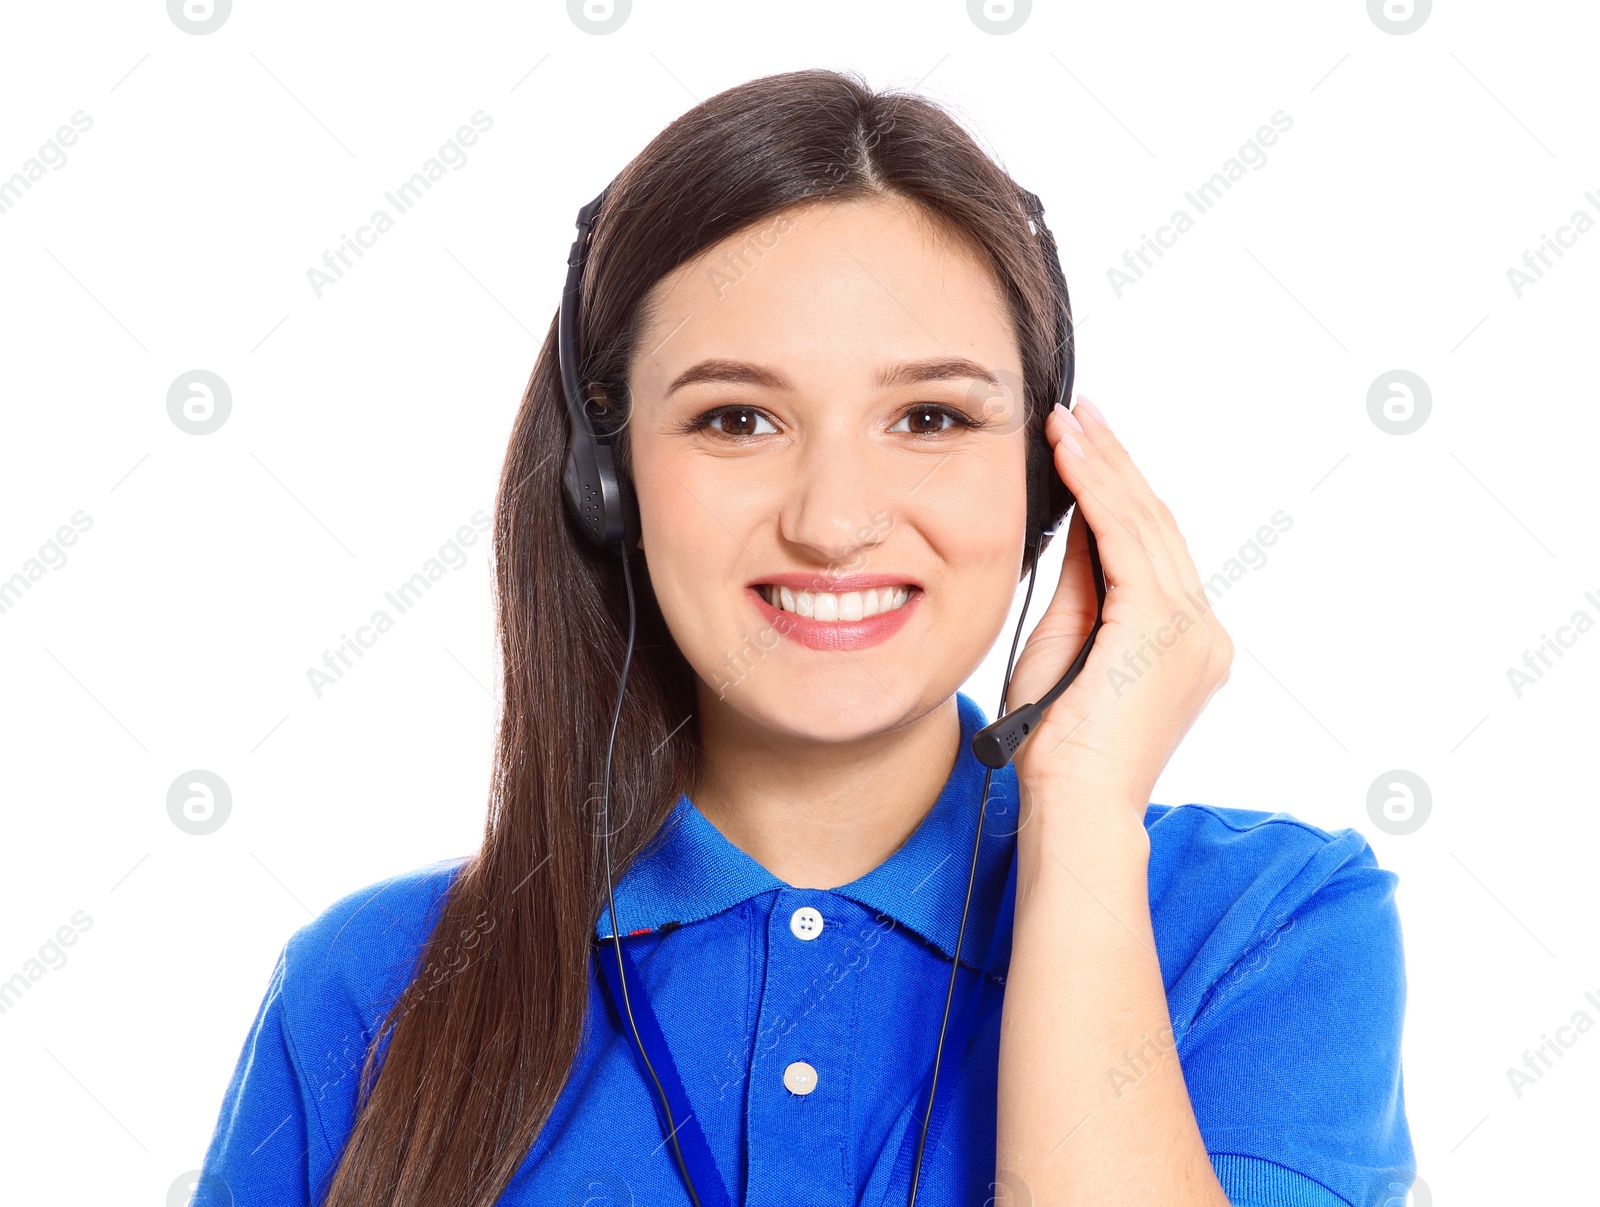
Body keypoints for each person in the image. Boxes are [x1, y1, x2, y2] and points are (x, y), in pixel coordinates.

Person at [194, 68, 1414, 1207]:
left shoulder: (1263, 927)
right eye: (737, 418)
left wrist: (1081, 816)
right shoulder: (374, 988)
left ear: (1047, 483)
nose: (833, 521)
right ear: (602, 480)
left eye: (930, 415)